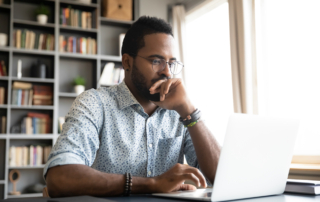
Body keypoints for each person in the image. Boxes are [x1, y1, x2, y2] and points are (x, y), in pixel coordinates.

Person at [45, 16, 221, 198]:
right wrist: (152, 184)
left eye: (171, 63)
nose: (167, 72)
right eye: (156, 61)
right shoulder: (94, 103)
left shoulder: (180, 112)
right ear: (127, 62)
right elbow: (60, 177)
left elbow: (221, 177)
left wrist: (190, 112)